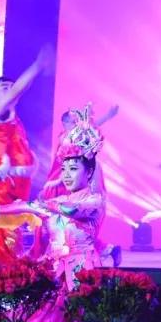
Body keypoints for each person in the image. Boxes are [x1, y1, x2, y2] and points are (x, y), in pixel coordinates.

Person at [0, 106, 105, 322]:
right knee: (23, 318)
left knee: (73, 321)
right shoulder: (59, 200)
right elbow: (28, 205)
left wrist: (45, 205)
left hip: (81, 271)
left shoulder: (94, 201)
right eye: (64, 169)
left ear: (89, 173)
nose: (66, 175)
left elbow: (72, 210)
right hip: (53, 268)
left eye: (73, 169)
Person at [0, 48, 50, 273]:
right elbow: (19, 89)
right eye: (4, 88)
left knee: (13, 227)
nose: (11, 91)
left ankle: (8, 273)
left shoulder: (9, 118)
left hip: (16, 180)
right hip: (3, 180)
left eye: (12, 87)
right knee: (3, 227)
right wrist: (37, 65)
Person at [36, 104, 120, 266]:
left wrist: (107, 116)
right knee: (61, 223)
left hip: (76, 184)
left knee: (75, 223)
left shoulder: (77, 139)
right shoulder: (65, 138)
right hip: (61, 183)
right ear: (64, 123)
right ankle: (106, 249)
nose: (76, 125)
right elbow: (58, 166)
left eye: (77, 122)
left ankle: (103, 250)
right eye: (72, 122)